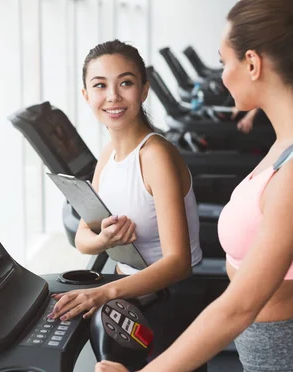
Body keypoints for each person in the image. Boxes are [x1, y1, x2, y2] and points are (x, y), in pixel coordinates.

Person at [96, 1, 293, 371]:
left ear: (252, 64)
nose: (222, 75)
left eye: (224, 62)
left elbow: (238, 307)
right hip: (283, 352)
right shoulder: (290, 148)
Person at [47, 39, 205, 367]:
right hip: (127, 291)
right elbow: (82, 238)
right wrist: (104, 239)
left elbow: (179, 263)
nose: (113, 96)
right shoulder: (108, 156)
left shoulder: (155, 156)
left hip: (167, 302)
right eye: (100, 85)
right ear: (86, 95)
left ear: (144, 90)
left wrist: (103, 293)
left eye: (126, 83)